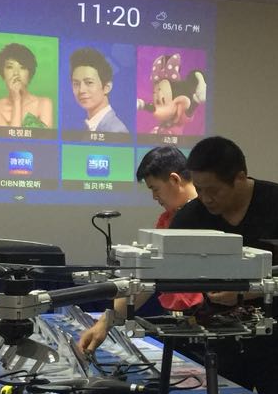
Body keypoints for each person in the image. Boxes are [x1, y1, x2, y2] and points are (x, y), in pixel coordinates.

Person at [168, 136, 278, 394]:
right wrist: (110, 318)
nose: (206, 198)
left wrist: (244, 293)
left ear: (240, 177)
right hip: (219, 339)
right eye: (199, 189)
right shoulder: (193, 214)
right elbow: (153, 268)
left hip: (277, 337)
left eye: (213, 190)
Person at [78, 146, 202, 355]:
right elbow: (144, 276)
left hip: (207, 323)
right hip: (178, 323)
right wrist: (106, 322)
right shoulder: (167, 220)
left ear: (174, 180)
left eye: (155, 188)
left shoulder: (208, 214)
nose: (154, 197)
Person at [0, 42, 54, 129]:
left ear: (30, 73)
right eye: (10, 67)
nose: (16, 73)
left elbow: (45, 137)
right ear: (2, 72)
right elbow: (10, 137)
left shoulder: (43, 104)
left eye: (22, 67)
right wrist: (17, 100)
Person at [69, 47, 129, 134]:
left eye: (89, 82)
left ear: (107, 87)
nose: (81, 90)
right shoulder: (88, 126)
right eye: (76, 84)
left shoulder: (116, 131)